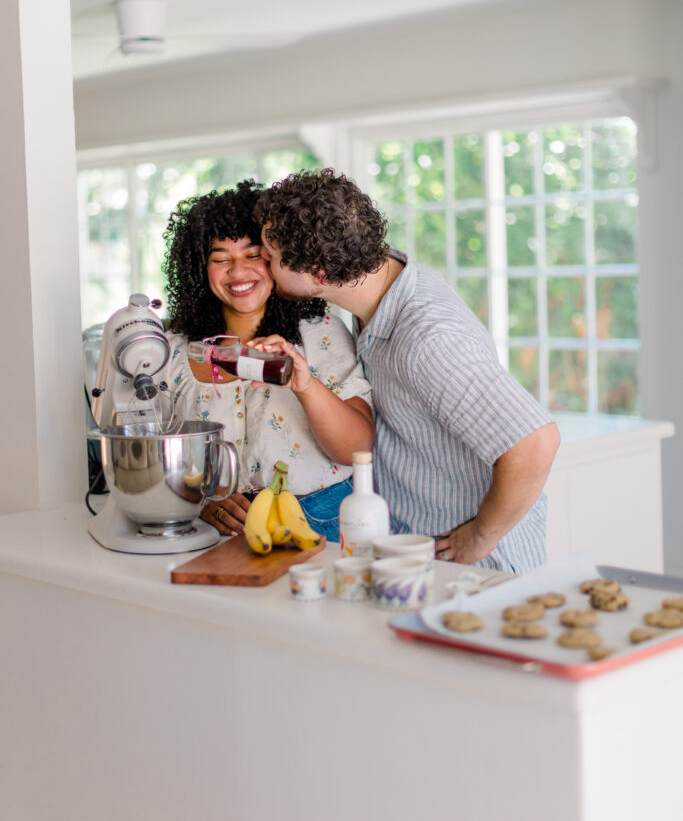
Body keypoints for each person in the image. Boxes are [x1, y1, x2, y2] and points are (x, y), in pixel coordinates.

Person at [254, 169, 561, 573]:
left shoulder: (426, 339)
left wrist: (482, 535)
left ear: (320, 274)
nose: (260, 262)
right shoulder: (386, 285)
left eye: (270, 257)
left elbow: (535, 441)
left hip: (473, 571)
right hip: (421, 556)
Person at [160, 179, 374, 541]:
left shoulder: (320, 333)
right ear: (199, 269)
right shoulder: (175, 353)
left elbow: (357, 450)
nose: (238, 272)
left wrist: (305, 385)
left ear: (278, 256)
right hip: (213, 531)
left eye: (252, 254)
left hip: (320, 520)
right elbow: (159, 457)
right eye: (220, 259)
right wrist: (198, 501)